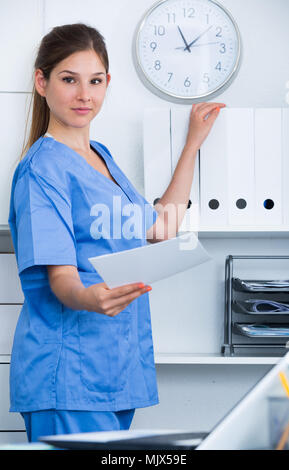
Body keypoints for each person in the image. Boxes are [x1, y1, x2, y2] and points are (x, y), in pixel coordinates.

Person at [8, 23, 225, 443]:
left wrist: (192, 145)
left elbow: (163, 227)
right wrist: (90, 297)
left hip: (115, 368)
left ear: (108, 84)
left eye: (95, 81)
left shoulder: (100, 157)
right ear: (42, 82)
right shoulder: (42, 170)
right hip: (68, 371)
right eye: (69, 80)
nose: (84, 95)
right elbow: (62, 280)